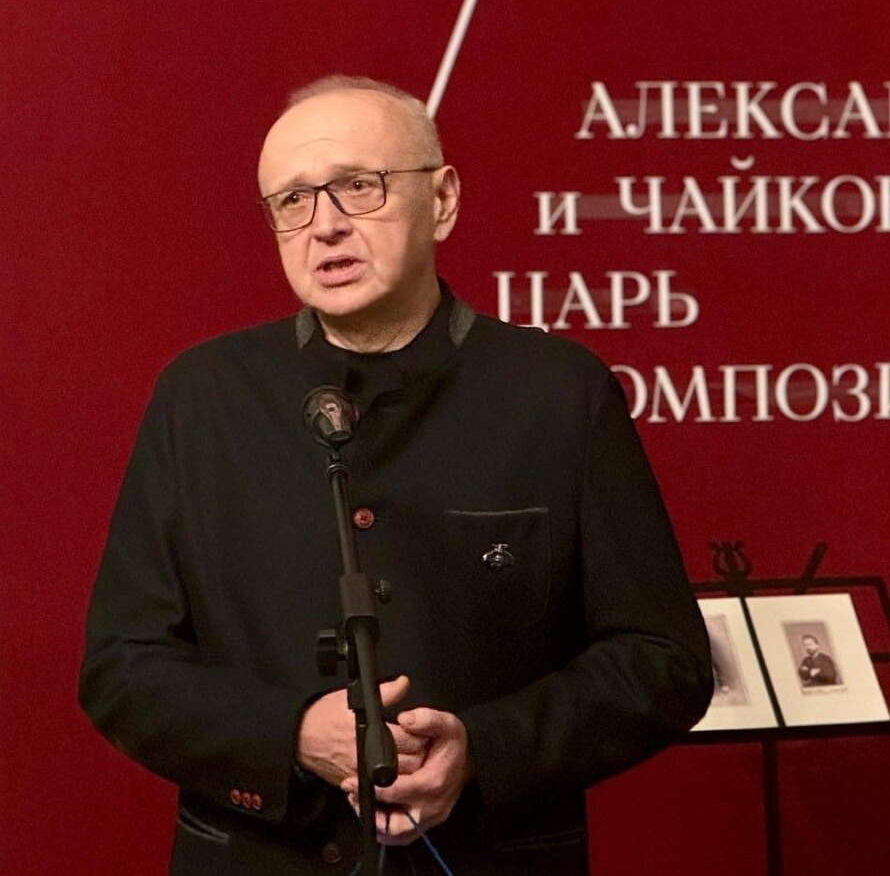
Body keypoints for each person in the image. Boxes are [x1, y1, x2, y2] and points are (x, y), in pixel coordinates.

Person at [79, 75, 712, 876]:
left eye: (358, 186)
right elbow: (123, 666)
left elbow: (663, 659)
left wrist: (483, 749)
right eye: (293, 201)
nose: (325, 226)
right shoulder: (202, 396)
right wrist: (291, 735)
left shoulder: (559, 393)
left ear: (442, 200)